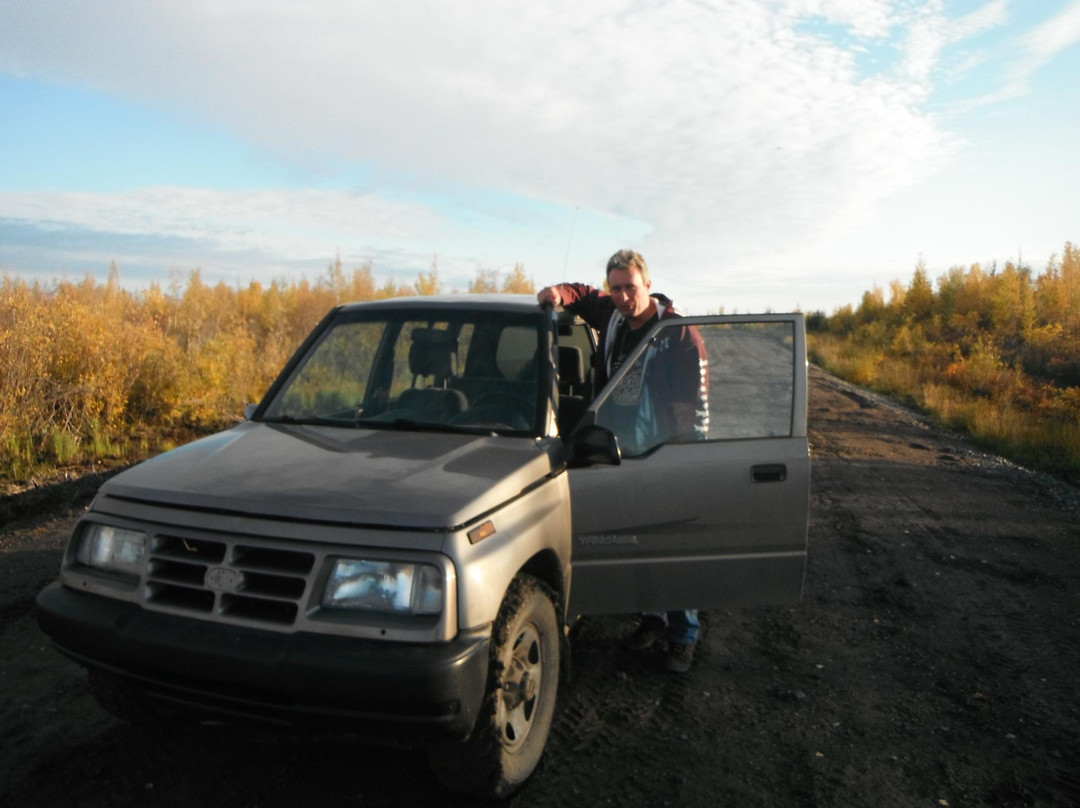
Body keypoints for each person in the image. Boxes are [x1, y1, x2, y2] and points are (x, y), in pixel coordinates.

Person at [537, 249, 708, 673]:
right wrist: (559, 292)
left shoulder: (678, 333)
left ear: (648, 285)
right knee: (638, 541)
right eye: (616, 288)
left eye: (630, 287)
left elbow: (695, 405)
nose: (623, 296)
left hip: (663, 450)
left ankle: (683, 634)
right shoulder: (612, 313)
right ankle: (651, 621)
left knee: (671, 545)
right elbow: (583, 293)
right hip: (618, 448)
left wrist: (688, 457)